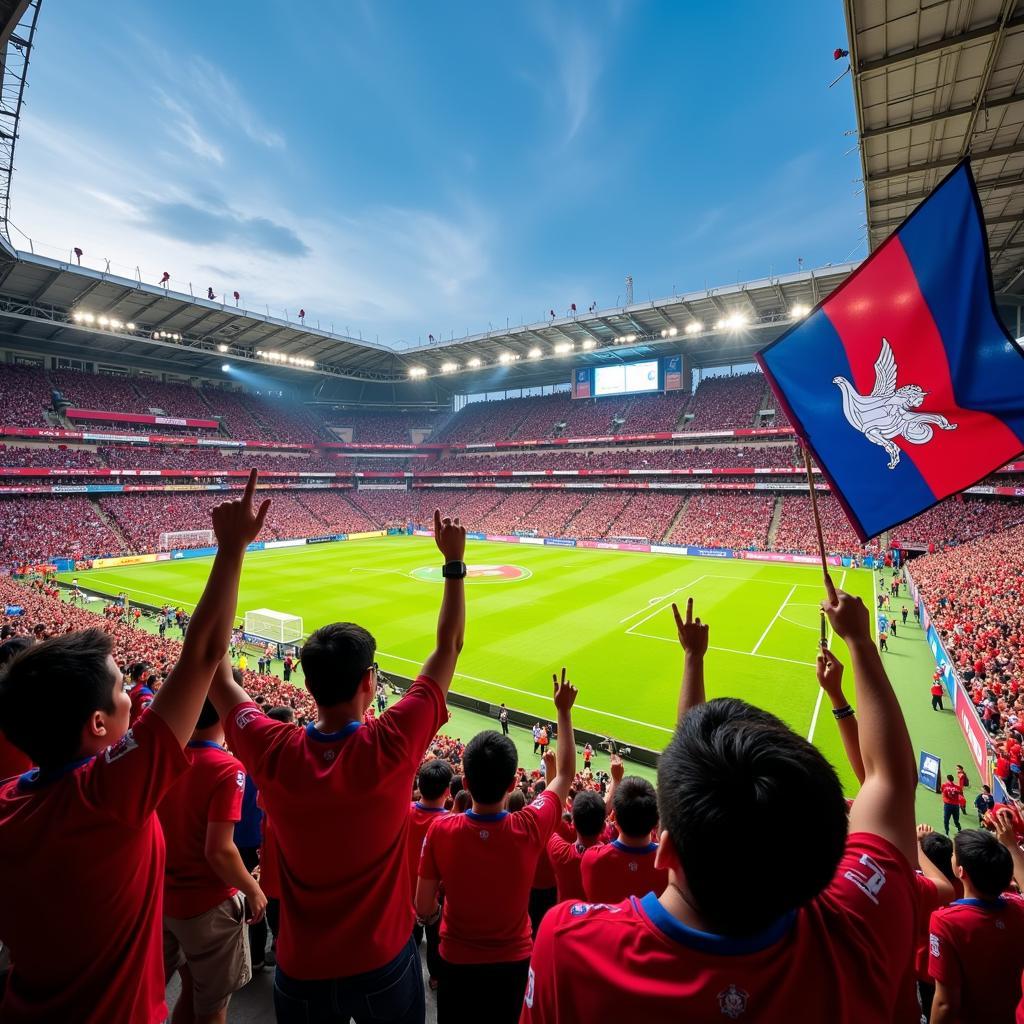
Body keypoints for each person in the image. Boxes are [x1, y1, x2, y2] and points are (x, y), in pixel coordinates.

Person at [522, 584, 919, 1022]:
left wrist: (693, 658)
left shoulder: (568, 944)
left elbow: (891, 780)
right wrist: (860, 644)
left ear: (665, 849)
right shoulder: (862, 925)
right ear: (819, 852)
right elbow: (889, 780)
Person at [0, 470, 268, 1023]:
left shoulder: (9, 801)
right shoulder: (108, 794)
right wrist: (232, 548)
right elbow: (203, 653)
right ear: (97, 725)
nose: (136, 700)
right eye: (124, 689)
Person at [207, 509, 467, 1024]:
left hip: (300, 966)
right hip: (383, 959)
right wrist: (454, 565)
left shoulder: (272, 748)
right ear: (370, 682)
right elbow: (449, 647)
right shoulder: (391, 742)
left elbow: (214, 667)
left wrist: (231, 551)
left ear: (307, 686)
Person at [416, 671, 577, 1024]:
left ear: (467, 781)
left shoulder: (440, 829)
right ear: (513, 782)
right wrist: (563, 712)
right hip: (514, 964)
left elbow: (423, 905)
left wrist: (435, 916)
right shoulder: (530, 825)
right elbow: (564, 774)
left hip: (455, 963)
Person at [159, 692, 266, 1024]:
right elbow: (218, 850)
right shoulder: (226, 767)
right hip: (206, 905)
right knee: (213, 1005)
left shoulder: (165, 756)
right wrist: (253, 889)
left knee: (190, 986)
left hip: (162, 898)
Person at [928, 821, 1024, 1023]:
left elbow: (945, 1003)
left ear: (961, 871)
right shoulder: (1019, 907)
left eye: (953, 855)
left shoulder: (946, 922)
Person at [408, 758, 453, 993]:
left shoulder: (403, 813)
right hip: (436, 901)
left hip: (405, 897)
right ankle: (435, 978)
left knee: (407, 944)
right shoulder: (451, 824)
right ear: (447, 790)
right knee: (436, 943)